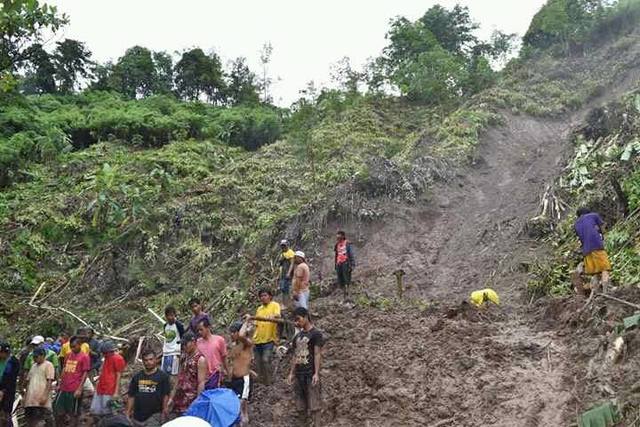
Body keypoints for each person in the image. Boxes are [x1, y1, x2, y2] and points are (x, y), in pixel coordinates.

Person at [288, 307, 324, 427]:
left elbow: (317, 353)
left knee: (315, 405)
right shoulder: (297, 337)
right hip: (299, 374)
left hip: (310, 373)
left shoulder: (316, 334)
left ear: (306, 317)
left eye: (298, 319)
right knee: (300, 406)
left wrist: (316, 373)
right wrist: (292, 373)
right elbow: (295, 355)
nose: (297, 322)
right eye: (295, 320)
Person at [573, 207, 612, 294]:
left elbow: (581, 236)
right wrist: (602, 235)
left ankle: (595, 294)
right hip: (597, 246)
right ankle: (607, 292)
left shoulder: (576, 224)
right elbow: (602, 226)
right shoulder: (593, 215)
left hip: (586, 251)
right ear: (588, 212)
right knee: (605, 269)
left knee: (595, 273)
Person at [126, 350, 170, 426]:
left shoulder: (163, 377)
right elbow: (131, 395)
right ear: (142, 361)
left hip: (155, 416)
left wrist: (164, 410)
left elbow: (165, 394)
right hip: (138, 416)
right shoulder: (137, 377)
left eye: (151, 359)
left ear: (156, 359)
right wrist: (128, 412)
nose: (148, 362)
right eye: (146, 360)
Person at [54, 336, 91, 427]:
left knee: (73, 413)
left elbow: (85, 373)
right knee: (58, 410)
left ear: (79, 345)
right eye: (71, 346)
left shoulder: (84, 357)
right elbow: (64, 369)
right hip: (64, 387)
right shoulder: (68, 355)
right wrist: (60, 383)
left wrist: (80, 388)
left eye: (74, 346)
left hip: (74, 388)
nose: (72, 348)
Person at [169, 332, 207, 416]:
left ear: (193, 342)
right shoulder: (184, 357)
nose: (184, 347)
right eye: (182, 345)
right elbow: (179, 377)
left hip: (190, 400)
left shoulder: (200, 360)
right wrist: (172, 397)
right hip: (179, 399)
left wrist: (197, 402)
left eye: (185, 344)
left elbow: (201, 383)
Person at [225, 320, 253, 426]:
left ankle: (243, 424)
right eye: (230, 332)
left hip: (244, 379)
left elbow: (242, 335)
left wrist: (246, 321)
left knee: (242, 405)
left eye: (234, 332)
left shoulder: (247, 343)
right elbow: (231, 361)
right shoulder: (233, 346)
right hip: (234, 379)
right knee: (234, 405)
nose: (231, 335)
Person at [91, 341, 126, 419]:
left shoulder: (118, 358)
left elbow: (119, 375)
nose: (104, 355)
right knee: (97, 410)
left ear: (111, 351)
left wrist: (116, 392)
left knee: (107, 411)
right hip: (101, 387)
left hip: (110, 388)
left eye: (105, 353)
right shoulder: (106, 358)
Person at [251, 289, 280, 385]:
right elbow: (256, 324)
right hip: (258, 339)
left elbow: (277, 315)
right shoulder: (259, 309)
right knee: (258, 362)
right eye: (261, 296)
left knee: (266, 360)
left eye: (265, 295)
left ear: (270, 296)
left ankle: (269, 382)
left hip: (269, 339)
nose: (263, 298)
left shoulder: (274, 305)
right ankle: (262, 382)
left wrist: (272, 317)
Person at [23, 347, 55, 427]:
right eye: (34, 357)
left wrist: (45, 396)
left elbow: (49, 381)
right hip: (31, 400)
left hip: (42, 401)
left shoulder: (48, 365)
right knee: (31, 422)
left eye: (36, 357)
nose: (34, 358)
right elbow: (28, 382)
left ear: (43, 355)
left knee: (42, 422)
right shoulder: (33, 366)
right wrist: (25, 397)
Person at [195, 318, 228, 389]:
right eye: (198, 330)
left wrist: (227, 371)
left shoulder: (219, 340)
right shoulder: (197, 342)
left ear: (208, 328)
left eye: (201, 329)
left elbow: (224, 357)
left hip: (216, 374)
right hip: (202, 377)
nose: (199, 332)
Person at [0, 341, 19, 427]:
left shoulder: (13, 362)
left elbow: (10, 379)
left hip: (7, 392)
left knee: (5, 413)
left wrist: (3, 391)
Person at [162, 306, 185, 377]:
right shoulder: (165, 325)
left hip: (175, 352)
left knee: (174, 374)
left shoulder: (179, 325)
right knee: (165, 373)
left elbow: (183, 337)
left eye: (172, 315)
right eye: (168, 315)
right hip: (166, 352)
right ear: (165, 316)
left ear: (175, 315)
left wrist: (182, 351)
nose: (170, 317)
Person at [334, 231, 356, 300]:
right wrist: (335, 264)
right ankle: (343, 294)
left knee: (346, 278)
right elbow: (336, 255)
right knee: (340, 279)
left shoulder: (347, 244)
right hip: (339, 263)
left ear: (343, 236)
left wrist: (352, 264)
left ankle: (348, 293)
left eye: (339, 237)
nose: (338, 239)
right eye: (337, 238)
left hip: (345, 263)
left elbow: (351, 254)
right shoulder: (337, 244)